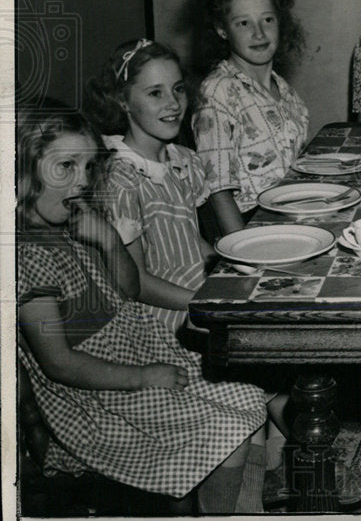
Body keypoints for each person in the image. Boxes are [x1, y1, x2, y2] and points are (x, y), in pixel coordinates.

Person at [15, 108, 269, 512]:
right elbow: (59, 364)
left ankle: (235, 509)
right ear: (23, 170)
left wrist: (111, 243)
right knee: (226, 429)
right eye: (66, 165)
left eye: (87, 166)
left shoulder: (75, 222)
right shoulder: (27, 258)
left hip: (142, 351)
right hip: (100, 395)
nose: (82, 180)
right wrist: (143, 377)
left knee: (250, 398)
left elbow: (129, 289)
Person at [85, 39, 213, 335]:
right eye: (156, 93)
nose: (173, 103)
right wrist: (205, 304)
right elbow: (137, 283)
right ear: (122, 100)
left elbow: (192, 244)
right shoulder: (121, 177)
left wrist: (233, 271)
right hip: (161, 317)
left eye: (178, 89)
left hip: (197, 291)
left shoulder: (184, 161)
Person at [191, 0, 309, 237]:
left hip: (292, 216)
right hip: (251, 227)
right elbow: (219, 191)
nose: (259, 33)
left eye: (267, 20)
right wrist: (245, 254)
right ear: (222, 30)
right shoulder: (217, 91)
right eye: (243, 23)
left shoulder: (282, 87)